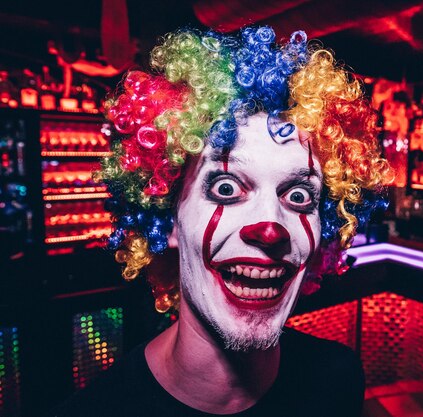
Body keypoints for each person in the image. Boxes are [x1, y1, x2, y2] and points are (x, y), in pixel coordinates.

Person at [50, 26, 391, 417]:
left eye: (298, 196)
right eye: (226, 189)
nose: (269, 226)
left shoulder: (338, 379)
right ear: (169, 219)